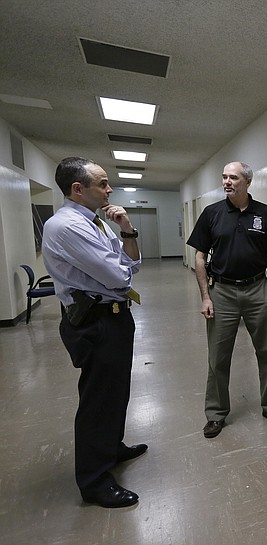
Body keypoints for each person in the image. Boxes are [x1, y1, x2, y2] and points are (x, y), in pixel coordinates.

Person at [42, 157, 146, 508]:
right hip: (94, 321)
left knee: (116, 392)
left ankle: (111, 448)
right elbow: (120, 277)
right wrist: (123, 270)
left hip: (115, 315)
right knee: (98, 400)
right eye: (102, 183)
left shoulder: (96, 223)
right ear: (77, 188)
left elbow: (132, 263)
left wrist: (127, 228)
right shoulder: (68, 226)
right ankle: (94, 480)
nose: (109, 188)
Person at [187, 161, 267, 438]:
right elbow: (199, 255)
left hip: (258, 289)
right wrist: (205, 296)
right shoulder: (212, 213)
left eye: (233, 177)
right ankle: (216, 413)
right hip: (222, 292)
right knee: (218, 357)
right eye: (224, 177)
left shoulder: (265, 214)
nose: (227, 182)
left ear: (248, 182)